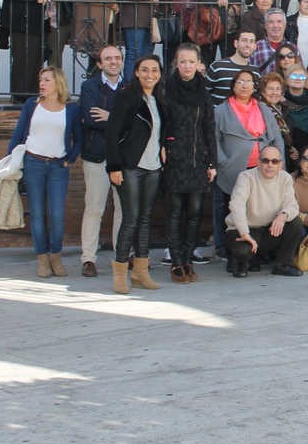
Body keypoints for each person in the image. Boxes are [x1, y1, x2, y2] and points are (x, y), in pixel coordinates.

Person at [8, 66, 81, 278]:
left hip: (58, 166)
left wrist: (70, 159)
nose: (42, 84)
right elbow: (19, 134)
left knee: (57, 215)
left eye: (47, 80)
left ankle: (55, 256)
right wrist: (10, 159)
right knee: (37, 214)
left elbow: (79, 138)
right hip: (34, 164)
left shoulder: (71, 109)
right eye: (41, 80)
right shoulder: (32, 105)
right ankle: (41, 258)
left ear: (58, 83)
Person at [105, 55, 165, 294]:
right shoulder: (126, 97)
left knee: (145, 218)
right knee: (130, 218)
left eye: (154, 70)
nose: (150, 74)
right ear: (137, 73)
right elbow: (112, 133)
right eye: (145, 70)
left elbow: (162, 129)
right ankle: (120, 272)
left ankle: (141, 271)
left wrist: (164, 147)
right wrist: (114, 166)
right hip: (130, 166)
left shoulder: (160, 98)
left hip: (153, 166)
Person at [212, 68, 284, 262]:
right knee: (228, 209)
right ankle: (226, 249)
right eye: (240, 82)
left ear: (254, 86)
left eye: (249, 81)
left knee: (258, 209)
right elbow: (214, 139)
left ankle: (257, 250)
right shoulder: (221, 110)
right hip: (233, 167)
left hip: (262, 167)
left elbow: (276, 137)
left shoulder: (263, 109)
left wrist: (279, 161)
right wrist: (222, 161)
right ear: (233, 86)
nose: (244, 85)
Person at [161, 43, 217, 282]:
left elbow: (209, 128)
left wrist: (212, 162)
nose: (186, 66)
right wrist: (163, 146)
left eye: (191, 62)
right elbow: (161, 122)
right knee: (175, 211)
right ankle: (175, 261)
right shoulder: (166, 88)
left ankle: (186, 258)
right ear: (176, 63)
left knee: (194, 212)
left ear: (198, 64)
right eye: (182, 61)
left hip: (197, 159)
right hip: (174, 157)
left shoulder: (204, 92)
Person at [78, 45, 125, 277]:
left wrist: (111, 117)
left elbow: (135, 122)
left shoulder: (129, 88)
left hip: (123, 159)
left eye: (117, 58)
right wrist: (119, 120)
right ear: (99, 64)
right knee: (94, 209)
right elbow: (90, 118)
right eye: (108, 59)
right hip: (96, 156)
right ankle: (88, 258)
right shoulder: (89, 87)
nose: (113, 62)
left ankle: (121, 257)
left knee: (122, 210)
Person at [224, 144, 304, 277]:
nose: (270, 165)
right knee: (243, 251)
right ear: (258, 162)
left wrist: (283, 216)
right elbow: (236, 205)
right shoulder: (246, 177)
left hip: (268, 230)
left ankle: (283, 265)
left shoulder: (285, 178)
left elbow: (292, 205)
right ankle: (240, 262)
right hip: (244, 230)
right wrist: (244, 233)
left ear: (280, 164)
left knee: (295, 223)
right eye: (265, 160)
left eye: (275, 161)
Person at [205, 29, 260, 105]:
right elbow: (205, 93)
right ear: (236, 43)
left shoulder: (255, 71)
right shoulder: (217, 67)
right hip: (219, 115)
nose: (248, 45)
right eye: (244, 40)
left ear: (255, 46)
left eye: (251, 41)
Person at [249, 8, 298, 73]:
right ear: (265, 25)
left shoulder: (293, 48)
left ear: (285, 25)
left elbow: (299, 72)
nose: (275, 25)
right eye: (271, 22)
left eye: (279, 21)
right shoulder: (255, 47)